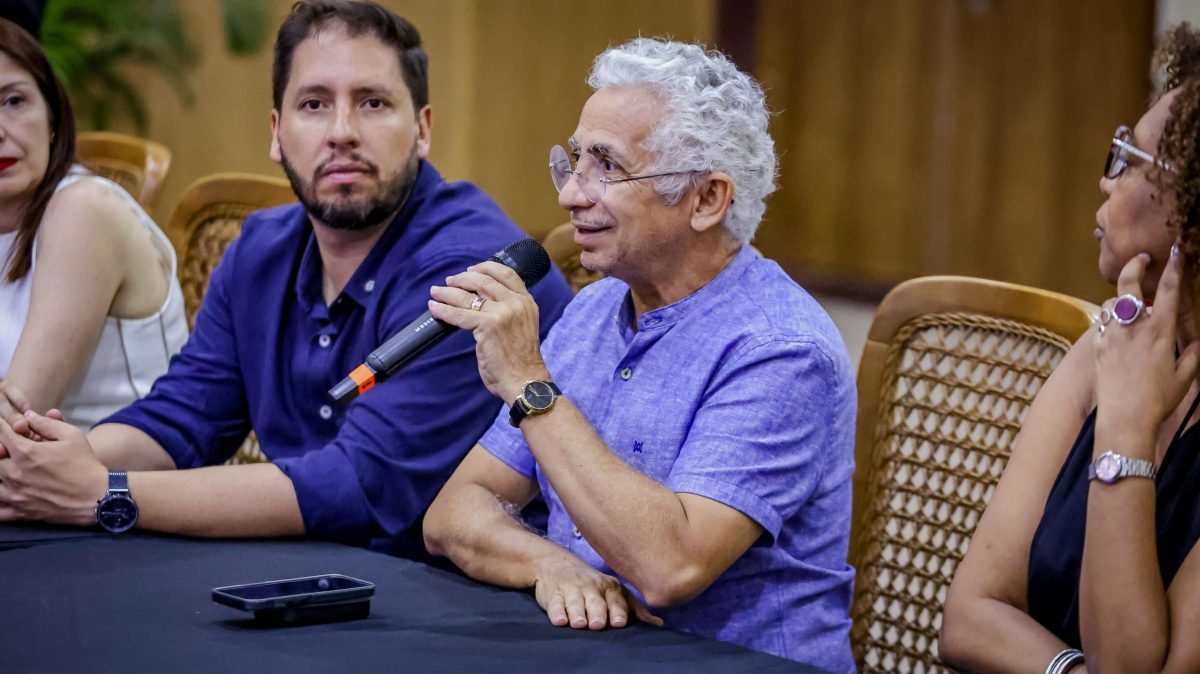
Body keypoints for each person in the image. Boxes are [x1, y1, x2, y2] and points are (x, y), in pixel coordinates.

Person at [0, 0, 573, 558]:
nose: (342, 131)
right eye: (314, 104)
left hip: (471, 597)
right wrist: (60, 465)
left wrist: (106, 493)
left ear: (423, 129)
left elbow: (357, 485)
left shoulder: (471, 270)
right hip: (310, 575)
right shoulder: (260, 251)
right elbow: (183, 419)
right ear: (276, 132)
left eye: (373, 103)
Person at [422, 38, 857, 672]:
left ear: (707, 199)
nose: (572, 194)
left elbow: (669, 567)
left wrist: (527, 382)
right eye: (574, 160)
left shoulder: (780, 349)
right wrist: (551, 564)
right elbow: (454, 513)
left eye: (607, 167)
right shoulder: (596, 310)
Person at [941, 25, 1200, 674]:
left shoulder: (1117, 369)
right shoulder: (1105, 343)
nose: (1104, 179)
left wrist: (1126, 425)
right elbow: (968, 617)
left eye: (1128, 158)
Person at [0, 17, 188, 431]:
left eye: (13, 101)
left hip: (122, 486)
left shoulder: (84, 211)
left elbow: (18, 422)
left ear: (52, 115)